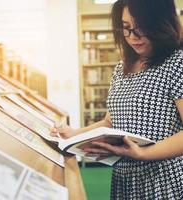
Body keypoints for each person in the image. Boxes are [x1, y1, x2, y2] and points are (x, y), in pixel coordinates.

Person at [51, 0, 183, 199]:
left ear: (161, 23)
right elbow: (109, 121)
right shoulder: (122, 68)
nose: (133, 37)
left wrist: (144, 153)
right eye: (126, 28)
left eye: (141, 28)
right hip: (124, 179)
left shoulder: (177, 63)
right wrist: (74, 134)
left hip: (163, 180)